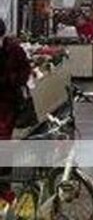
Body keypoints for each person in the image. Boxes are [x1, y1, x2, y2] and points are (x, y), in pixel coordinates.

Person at [0, 18, 31, 204]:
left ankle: (5, 188)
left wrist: (11, 80)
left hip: (7, 104)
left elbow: (25, 71)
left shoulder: (14, 49)